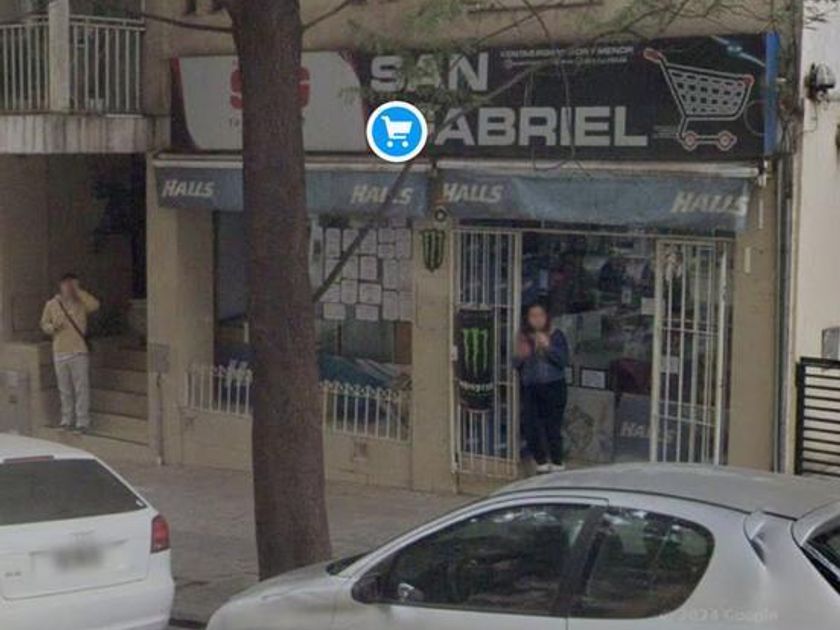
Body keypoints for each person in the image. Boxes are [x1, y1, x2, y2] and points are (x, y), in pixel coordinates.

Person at [40, 274, 100, 433]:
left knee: (81, 388)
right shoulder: (52, 304)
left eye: (72, 285)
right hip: (60, 351)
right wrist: (53, 328)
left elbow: (94, 305)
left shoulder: (81, 303)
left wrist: (79, 291)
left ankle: (82, 422)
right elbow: (44, 323)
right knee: (64, 389)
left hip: (78, 351)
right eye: (67, 285)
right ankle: (66, 419)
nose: (69, 288)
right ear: (61, 285)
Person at [515, 301, 569, 474]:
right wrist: (522, 355)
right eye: (533, 316)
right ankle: (541, 462)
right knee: (531, 426)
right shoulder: (523, 337)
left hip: (554, 386)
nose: (537, 319)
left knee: (552, 427)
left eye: (540, 315)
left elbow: (563, 361)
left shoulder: (556, 335)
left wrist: (548, 347)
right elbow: (514, 363)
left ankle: (557, 462)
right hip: (531, 387)